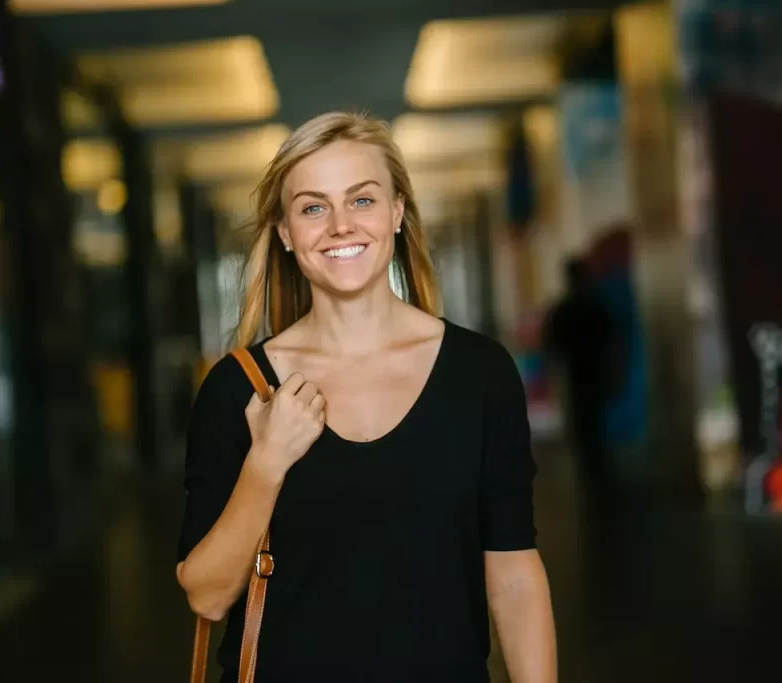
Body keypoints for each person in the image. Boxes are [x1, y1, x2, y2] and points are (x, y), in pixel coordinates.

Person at [176, 112, 556, 683]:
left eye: (361, 200)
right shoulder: (240, 389)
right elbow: (206, 596)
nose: (339, 226)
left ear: (397, 212)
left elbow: (512, 572)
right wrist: (267, 461)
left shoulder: (479, 375)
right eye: (312, 207)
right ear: (284, 232)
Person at [543, 257, 621, 482]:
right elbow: (612, 343)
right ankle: (600, 473)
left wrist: (551, 377)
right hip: (594, 374)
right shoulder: (595, 307)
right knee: (596, 425)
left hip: (576, 377)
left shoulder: (564, 311)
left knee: (582, 425)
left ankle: (591, 474)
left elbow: (551, 347)